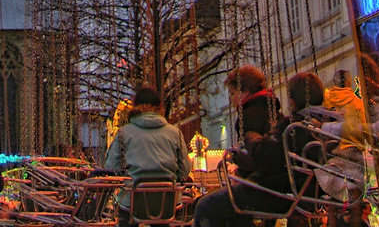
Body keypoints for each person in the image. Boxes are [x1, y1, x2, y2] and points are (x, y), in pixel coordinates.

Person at [193, 69, 300, 227]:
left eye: (232, 92)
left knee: (204, 205)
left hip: (263, 188)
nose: (231, 99)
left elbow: (256, 158)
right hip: (283, 186)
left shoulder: (248, 116)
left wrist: (235, 157)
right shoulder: (275, 113)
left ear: (244, 92)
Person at [104, 86, 190, 226]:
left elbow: (111, 167)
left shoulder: (124, 134)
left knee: (124, 214)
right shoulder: (175, 133)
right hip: (167, 202)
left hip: (132, 202)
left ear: (135, 106)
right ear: (160, 107)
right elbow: (184, 169)